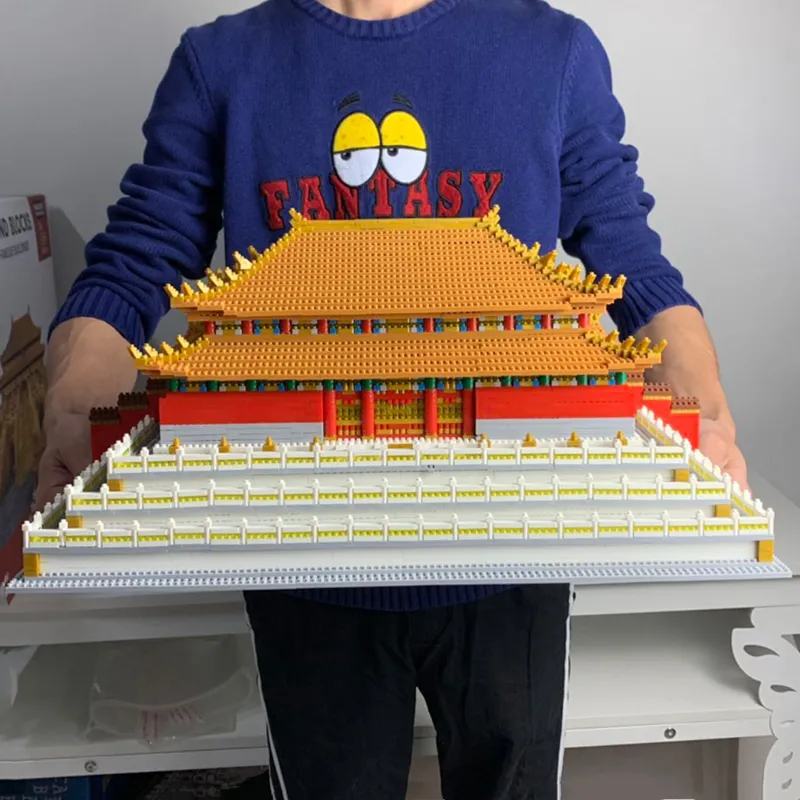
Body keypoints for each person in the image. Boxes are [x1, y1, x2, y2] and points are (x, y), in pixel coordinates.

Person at [37, 1, 746, 797]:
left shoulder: (553, 54)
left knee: (510, 781)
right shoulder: (223, 64)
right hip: (300, 548)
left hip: (515, 538)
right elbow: (138, 257)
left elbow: (628, 255)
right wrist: (76, 403)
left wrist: (702, 405)